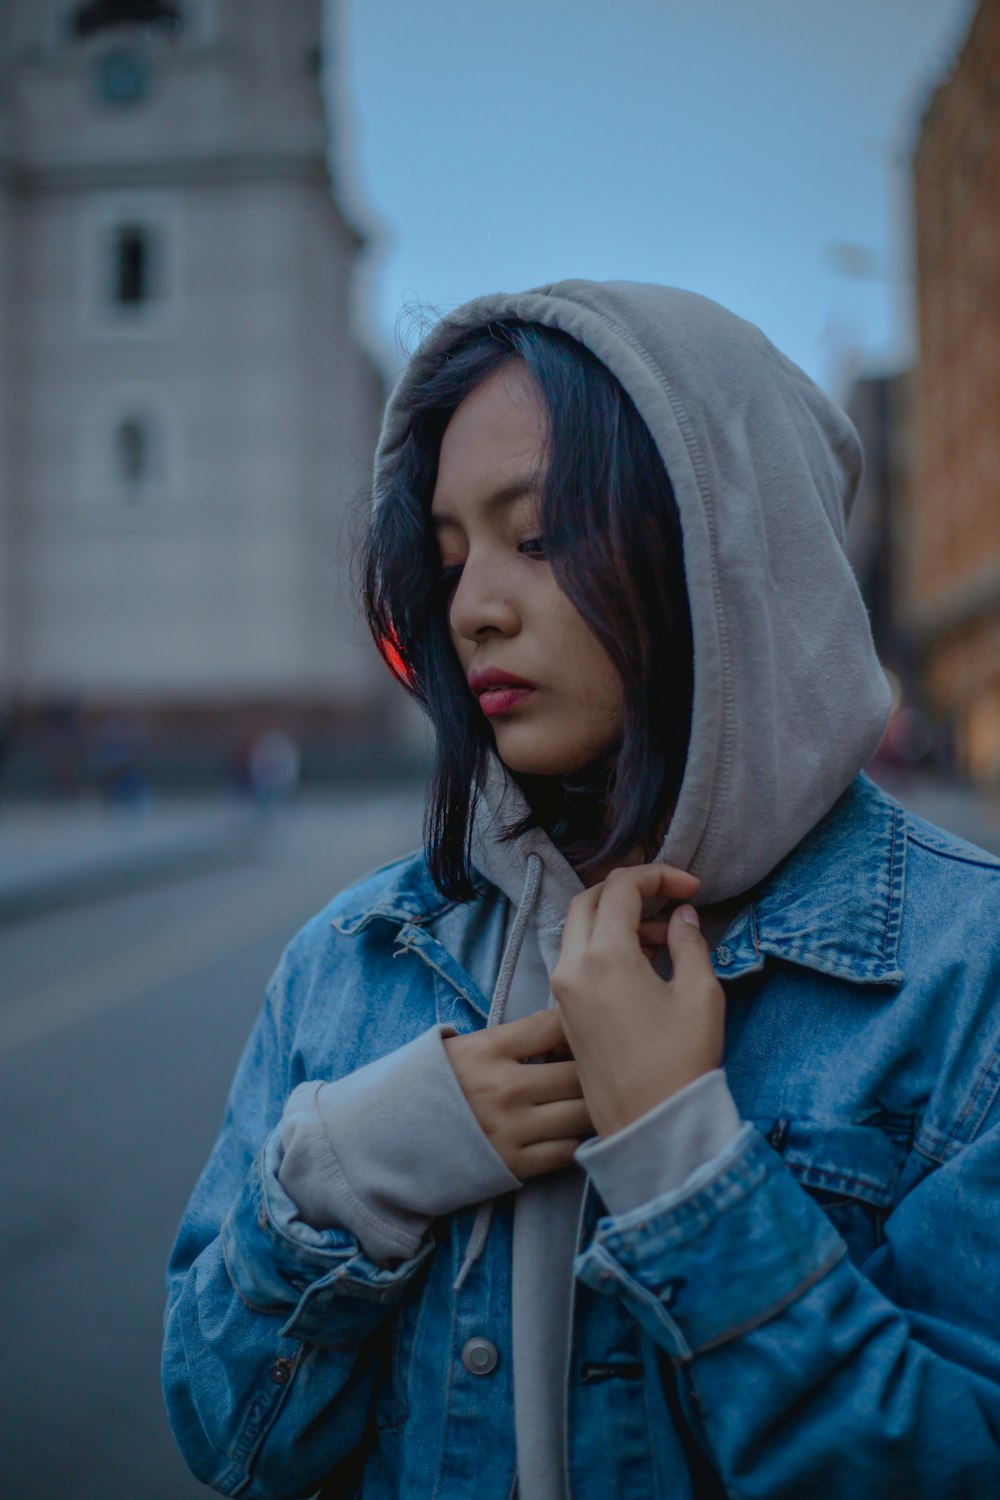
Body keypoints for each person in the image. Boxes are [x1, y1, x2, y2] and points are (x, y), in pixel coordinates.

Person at [162, 281, 1000, 1499]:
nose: (473, 607)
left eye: (540, 537)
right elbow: (223, 1434)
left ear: (729, 543)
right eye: (447, 558)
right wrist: (354, 1174)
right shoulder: (353, 965)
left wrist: (686, 1167)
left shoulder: (962, 974)